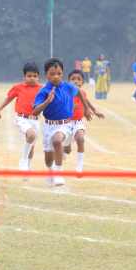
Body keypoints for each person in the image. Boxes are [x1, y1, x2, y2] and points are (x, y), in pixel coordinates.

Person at [32, 58, 94, 187]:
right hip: (49, 126)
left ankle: (58, 173)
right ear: (46, 75)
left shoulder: (68, 87)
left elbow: (80, 93)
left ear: (63, 73)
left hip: (65, 124)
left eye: (59, 73)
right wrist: (47, 102)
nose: (56, 76)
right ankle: (51, 170)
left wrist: (87, 109)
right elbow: (35, 112)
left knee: (57, 141)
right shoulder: (43, 91)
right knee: (48, 160)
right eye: (52, 74)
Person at [0, 62, 41, 172]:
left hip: (35, 120)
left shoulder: (42, 89)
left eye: (35, 76)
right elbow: (8, 99)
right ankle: (23, 160)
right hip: (21, 118)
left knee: (32, 146)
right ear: (24, 76)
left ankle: (27, 167)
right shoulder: (18, 88)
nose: (32, 78)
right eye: (29, 76)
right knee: (31, 135)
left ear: (38, 77)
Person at [65, 69, 104, 173]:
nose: (76, 81)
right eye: (73, 79)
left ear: (82, 82)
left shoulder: (82, 93)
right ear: (68, 81)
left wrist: (95, 111)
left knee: (80, 138)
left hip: (78, 122)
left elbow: (87, 102)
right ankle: (65, 149)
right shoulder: (65, 93)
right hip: (66, 123)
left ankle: (80, 165)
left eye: (79, 79)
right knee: (67, 149)